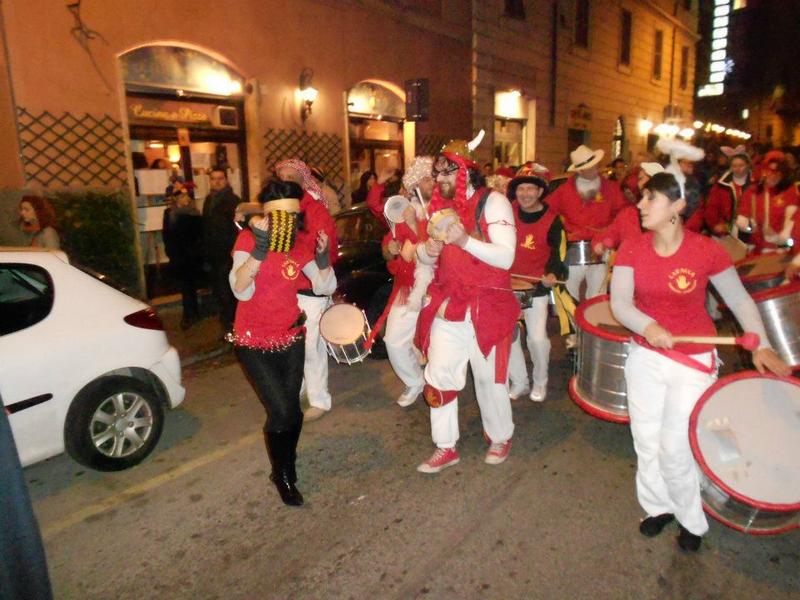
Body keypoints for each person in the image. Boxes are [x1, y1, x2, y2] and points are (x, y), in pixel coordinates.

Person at [610, 172, 790, 552]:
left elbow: (740, 301)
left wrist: (760, 343)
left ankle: (692, 520)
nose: (640, 205)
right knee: (646, 441)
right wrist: (649, 325)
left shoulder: (706, 250)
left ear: (677, 206)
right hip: (646, 355)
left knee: (675, 447)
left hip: (692, 361)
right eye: (641, 197)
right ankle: (657, 506)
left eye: (650, 198)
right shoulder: (632, 249)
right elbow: (620, 304)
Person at [414, 135, 519, 473]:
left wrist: (463, 240)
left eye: (448, 173)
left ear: (466, 172)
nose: (439, 180)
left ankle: (500, 436)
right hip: (450, 302)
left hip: (488, 303)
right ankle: (445, 446)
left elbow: (505, 258)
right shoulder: (438, 208)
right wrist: (427, 253)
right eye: (438, 173)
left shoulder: (494, 202)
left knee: (489, 379)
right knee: (439, 374)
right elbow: (428, 258)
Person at [229, 180, 336, 506]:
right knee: (282, 410)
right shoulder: (248, 239)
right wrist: (260, 250)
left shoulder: (299, 244)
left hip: (291, 336)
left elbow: (323, 287)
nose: (285, 221)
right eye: (279, 214)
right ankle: (284, 475)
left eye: (292, 213)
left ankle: (283, 467)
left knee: (292, 411)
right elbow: (240, 289)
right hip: (252, 340)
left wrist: (321, 258)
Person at [275, 159, 339, 422]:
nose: (288, 180)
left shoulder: (315, 210)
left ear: (303, 180)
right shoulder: (280, 209)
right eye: (283, 177)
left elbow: (325, 249)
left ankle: (320, 398)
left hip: (311, 288)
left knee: (312, 345)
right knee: (293, 343)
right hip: (289, 288)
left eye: (292, 176)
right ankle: (300, 386)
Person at [505, 165, 568, 402]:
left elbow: (559, 255)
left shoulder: (553, 221)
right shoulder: (506, 212)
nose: (526, 193)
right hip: (507, 284)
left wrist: (552, 273)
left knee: (537, 338)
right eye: (521, 188)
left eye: (531, 188)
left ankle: (540, 381)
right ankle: (519, 381)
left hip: (536, 288)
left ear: (541, 191)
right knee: (507, 336)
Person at [379, 156, 433, 407]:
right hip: (406, 288)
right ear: (414, 184)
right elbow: (392, 253)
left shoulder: (442, 209)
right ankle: (415, 381)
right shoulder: (402, 210)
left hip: (438, 287)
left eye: (433, 178)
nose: (430, 182)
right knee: (393, 340)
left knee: (436, 344)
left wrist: (415, 225)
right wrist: (390, 250)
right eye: (424, 178)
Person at [546, 144, 626, 304]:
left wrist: (611, 234)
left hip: (602, 247)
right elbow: (548, 214)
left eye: (595, 164)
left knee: (598, 296)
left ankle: (593, 327)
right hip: (573, 247)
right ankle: (572, 326)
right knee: (569, 291)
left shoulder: (611, 188)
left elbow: (623, 213)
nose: (595, 168)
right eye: (590, 166)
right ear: (579, 170)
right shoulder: (563, 191)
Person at [592, 162, 665, 254]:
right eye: (639, 179)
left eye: (641, 179)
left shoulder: (668, 216)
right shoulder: (629, 214)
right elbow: (610, 234)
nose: (638, 183)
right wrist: (601, 244)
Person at [736, 150, 799, 253]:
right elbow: (743, 216)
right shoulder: (754, 191)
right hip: (755, 249)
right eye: (769, 172)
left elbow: (793, 220)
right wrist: (749, 227)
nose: (772, 176)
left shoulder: (790, 191)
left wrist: (781, 238)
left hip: (781, 251)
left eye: (777, 173)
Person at [202, 166, 240, 331]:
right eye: (213, 179)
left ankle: (233, 325)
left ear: (226, 180)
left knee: (229, 291)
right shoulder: (209, 200)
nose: (216, 182)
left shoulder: (233, 200)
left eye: (220, 178)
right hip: (214, 254)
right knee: (219, 290)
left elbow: (238, 228)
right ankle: (226, 323)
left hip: (228, 253)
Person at [162, 183, 203, 329]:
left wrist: (197, 251)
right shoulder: (169, 214)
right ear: (176, 199)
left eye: (186, 195)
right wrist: (171, 252)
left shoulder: (193, 213)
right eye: (181, 196)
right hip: (178, 256)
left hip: (191, 256)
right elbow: (166, 234)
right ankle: (190, 313)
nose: (184, 198)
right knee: (185, 286)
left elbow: (199, 235)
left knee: (189, 285)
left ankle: (191, 314)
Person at [705, 146, 753, 237]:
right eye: (734, 166)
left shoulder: (755, 185)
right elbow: (712, 207)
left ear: (748, 165)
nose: (737, 169)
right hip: (726, 231)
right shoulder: (721, 185)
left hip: (749, 232)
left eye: (741, 165)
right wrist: (715, 225)